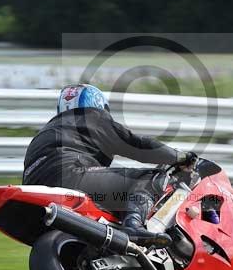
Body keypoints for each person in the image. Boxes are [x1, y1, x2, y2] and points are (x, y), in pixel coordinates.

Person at [22, 84, 196, 246]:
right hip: (70, 175)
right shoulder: (93, 117)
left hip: (34, 190)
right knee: (150, 177)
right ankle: (134, 225)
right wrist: (179, 156)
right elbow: (137, 145)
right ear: (98, 104)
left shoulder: (45, 132)